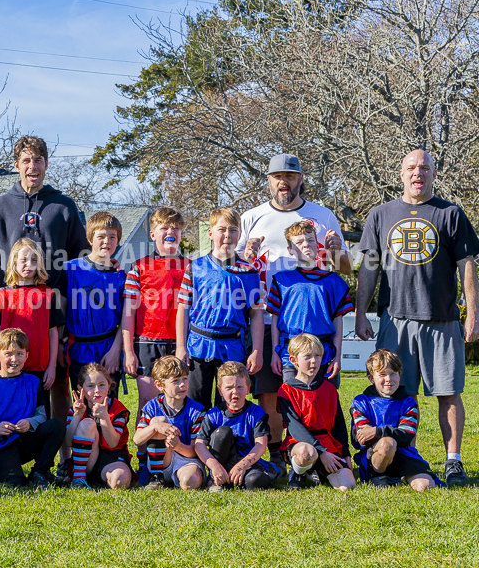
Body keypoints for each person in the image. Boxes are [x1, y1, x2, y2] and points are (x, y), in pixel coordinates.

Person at [355, 149, 479, 487]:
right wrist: (360, 313)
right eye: (411, 167)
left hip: (441, 318)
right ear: (401, 174)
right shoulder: (381, 215)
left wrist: (473, 314)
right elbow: (369, 269)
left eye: (424, 167)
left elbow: (467, 265)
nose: (418, 173)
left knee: (449, 392)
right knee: (394, 394)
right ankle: (402, 458)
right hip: (395, 319)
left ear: (434, 173)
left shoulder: (451, 214)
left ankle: (453, 461)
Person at [237, 153, 352, 475]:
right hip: (272, 320)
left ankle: (322, 451)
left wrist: (334, 250)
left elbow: (345, 267)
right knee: (271, 395)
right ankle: (278, 455)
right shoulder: (252, 217)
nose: (283, 182)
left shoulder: (322, 215)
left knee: (317, 395)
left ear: (301, 178)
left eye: (290, 176)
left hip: (317, 329)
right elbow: (237, 268)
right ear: (269, 180)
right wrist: (246, 255)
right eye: (277, 176)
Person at [56, 211, 127, 482]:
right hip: (78, 349)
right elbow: (61, 308)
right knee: (80, 407)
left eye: (112, 237)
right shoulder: (72, 268)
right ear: (90, 239)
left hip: (108, 348)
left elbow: (125, 317)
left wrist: (115, 350)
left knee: (105, 407)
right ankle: (74, 465)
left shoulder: (122, 276)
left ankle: (106, 460)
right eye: (101, 237)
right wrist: (62, 342)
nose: (106, 242)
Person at [121, 207, 190, 478]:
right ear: (153, 234)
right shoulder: (139, 266)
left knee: (181, 401)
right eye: (164, 228)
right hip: (147, 341)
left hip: (180, 341)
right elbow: (128, 312)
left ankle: (179, 460)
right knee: (149, 404)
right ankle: (146, 466)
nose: (170, 232)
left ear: (181, 234)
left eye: (175, 228)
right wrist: (128, 350)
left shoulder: (192, 266)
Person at [175, 207, 263, 410]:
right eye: (221, 229)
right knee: (196, 406)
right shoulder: (195, 268)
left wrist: (256, 349)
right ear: (210, 233)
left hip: (233, 347)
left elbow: (256, 314)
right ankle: (196, 442)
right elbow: (183, 308)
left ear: (240, 235)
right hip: (199, 346)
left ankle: (223, 442)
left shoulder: (249, 272)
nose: (227, 235)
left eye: (233, 230)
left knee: (229, 406)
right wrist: (181, 347)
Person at [0, 135, 89, 290]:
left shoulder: (64, 206)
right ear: (16, 166)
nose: (32, 166)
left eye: (38, 160)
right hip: (8, 304)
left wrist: (106, 265)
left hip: (53, 303)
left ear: (46, 164)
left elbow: (82, 257)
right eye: (26, 161)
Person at [0, 328, 64, 488]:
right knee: (15, 486)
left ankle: (39, 473)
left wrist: (30, 423)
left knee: (56, 426)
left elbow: (41, 416)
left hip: (25, 441)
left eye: (20, 354)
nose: (14, 359)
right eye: (8, 353)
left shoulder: (34, 382)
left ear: (27, 355)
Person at [266, 221, 353, 385]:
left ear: (318, 245)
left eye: (310, 240)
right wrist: (274, 353)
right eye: (299, 242)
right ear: (290, 250)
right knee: (293, 403)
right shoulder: (282, 281)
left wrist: (337, 357)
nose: (306, 245)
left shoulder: (333, 281)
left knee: (324, 404)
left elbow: (337, 320)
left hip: (324, 353)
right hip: (290, 353)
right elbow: (275, 319)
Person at [0, 238, 64, 405]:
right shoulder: (1, 296)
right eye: (23, 259)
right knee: (10, 411)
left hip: (39, 368)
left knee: (39, 416)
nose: (28, 264)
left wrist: (51, 367)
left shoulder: (48, 294)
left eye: (34, 260)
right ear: (14, 262)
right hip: (8, 367)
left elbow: (53, 333)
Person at [350, 349, 439, 491]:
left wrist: (377, 431)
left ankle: (397, 476)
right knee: (388, 443)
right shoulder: (361, 401)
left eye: (393, 374)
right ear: (371, 378)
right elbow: (363, 437)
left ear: (399, 375)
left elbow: (406, 435)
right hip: (375, 455)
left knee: (426, 486)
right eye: (382, 374)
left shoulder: (408, 403)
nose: (388, 379)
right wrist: (381, 435)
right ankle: (378, 476)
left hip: (403, 453)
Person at [277, 334, 355, 492]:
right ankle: (298, 471)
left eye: (317, 356)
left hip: (327, 442)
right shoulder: (286, 390)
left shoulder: (329, 389)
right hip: (299, 443)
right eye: (307, 357)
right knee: (307, 453)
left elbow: (339, 423)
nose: (314, 361)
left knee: (346, 485)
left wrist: (345, 453)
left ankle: (316, 471)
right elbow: (295, 428)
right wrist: (322, 452)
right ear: (294, 361)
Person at [194, 362, 278, 491]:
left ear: (248, 389)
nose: (235, 392)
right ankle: (216, 481)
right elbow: (199, 444)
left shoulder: (256, 413)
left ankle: (235, 479)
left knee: (255, 481)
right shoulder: (213, 414)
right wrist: (214, 466)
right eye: (229, 388)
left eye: (240, 387)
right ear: (220, 390)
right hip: (221, 463)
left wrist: (242, 466)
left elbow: (261, 444)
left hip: (248, 463)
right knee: (222, 432)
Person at [133, 356, 205, 490]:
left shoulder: (197, 411)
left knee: (190, 482)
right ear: (160, 385)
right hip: (160, 462)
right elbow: (137, 440)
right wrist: (155, 427)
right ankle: (156, 477)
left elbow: (196, 451)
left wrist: (177, 446)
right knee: (159, 421)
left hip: (187, 460)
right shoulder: (152, 407)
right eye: (175, 381)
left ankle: (177, 477)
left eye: (184, 378)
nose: (182, 384)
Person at [65, 364, 133, 489]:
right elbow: (68, 442)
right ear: (81, 389)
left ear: (109, 385)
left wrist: (105, 417)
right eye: (91, 386)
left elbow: (113, 443)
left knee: (120, 480)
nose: (97, 390)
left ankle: (102, 479)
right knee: (87, 423)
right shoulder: (77, 408)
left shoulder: (118, 409)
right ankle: (79, 478)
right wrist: (77, 416)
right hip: (85, 461)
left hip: (112, 457)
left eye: (102, 385)